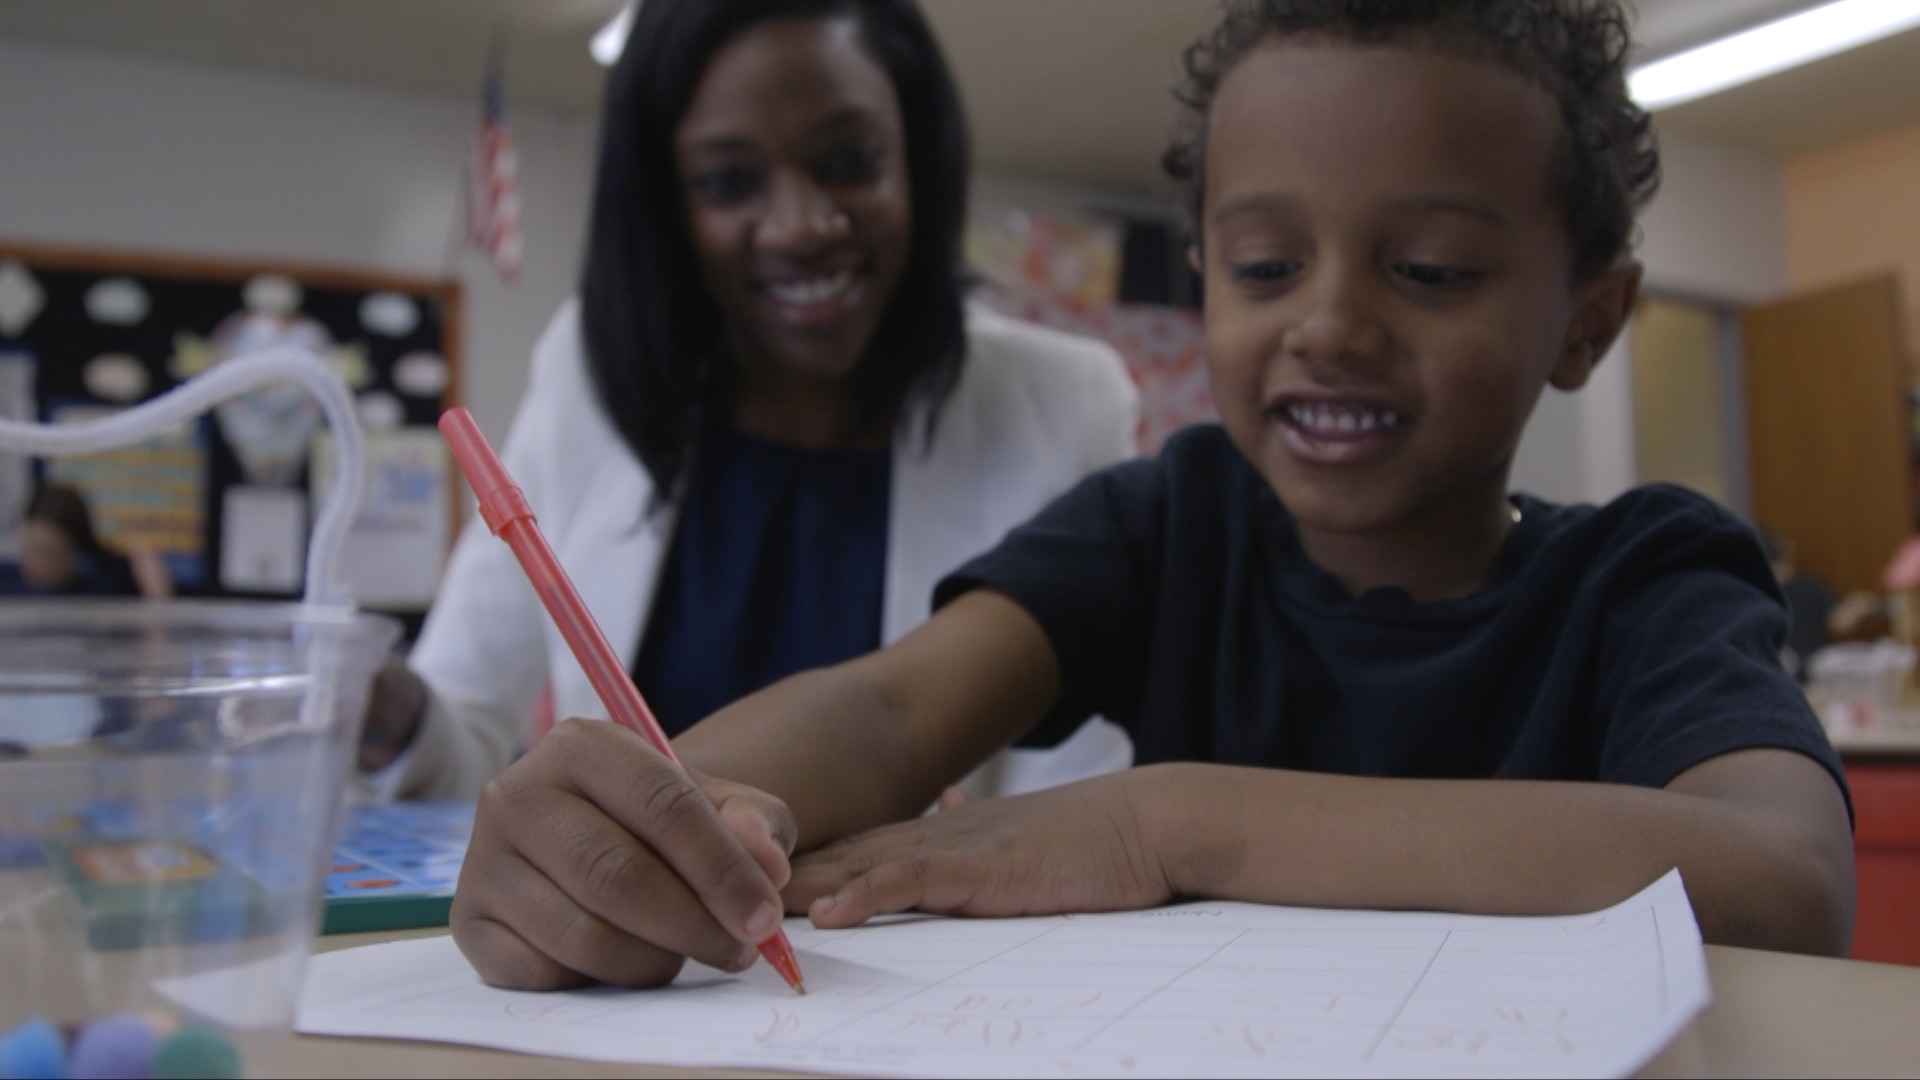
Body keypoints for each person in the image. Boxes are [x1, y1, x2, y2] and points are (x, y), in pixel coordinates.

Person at [450, 0, 1856, 992]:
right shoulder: (1172, 520)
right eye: (1263, 268)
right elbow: (890, 709)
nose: (1329, 323)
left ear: (1586, 320)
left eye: (1427, 269)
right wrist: (650, 820)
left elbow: (1783, 882)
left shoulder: (1650, 574)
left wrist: (1163, 822)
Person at [358, 0, 1140, 800]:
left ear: (918, 159)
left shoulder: (1064, 403)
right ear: (665, 203)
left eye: (850, 159)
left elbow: (1072, 806)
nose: (800, 226)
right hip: (636, 924)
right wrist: (387, 713)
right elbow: (463, 739)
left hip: (938, 927)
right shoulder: (588, 372)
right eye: (730, 181)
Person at [13, 484, 170, 600]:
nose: (37, 562)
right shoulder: (9, 585)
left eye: (49, 552)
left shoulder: (106, 590)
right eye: (29, 547)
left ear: (75, 551)